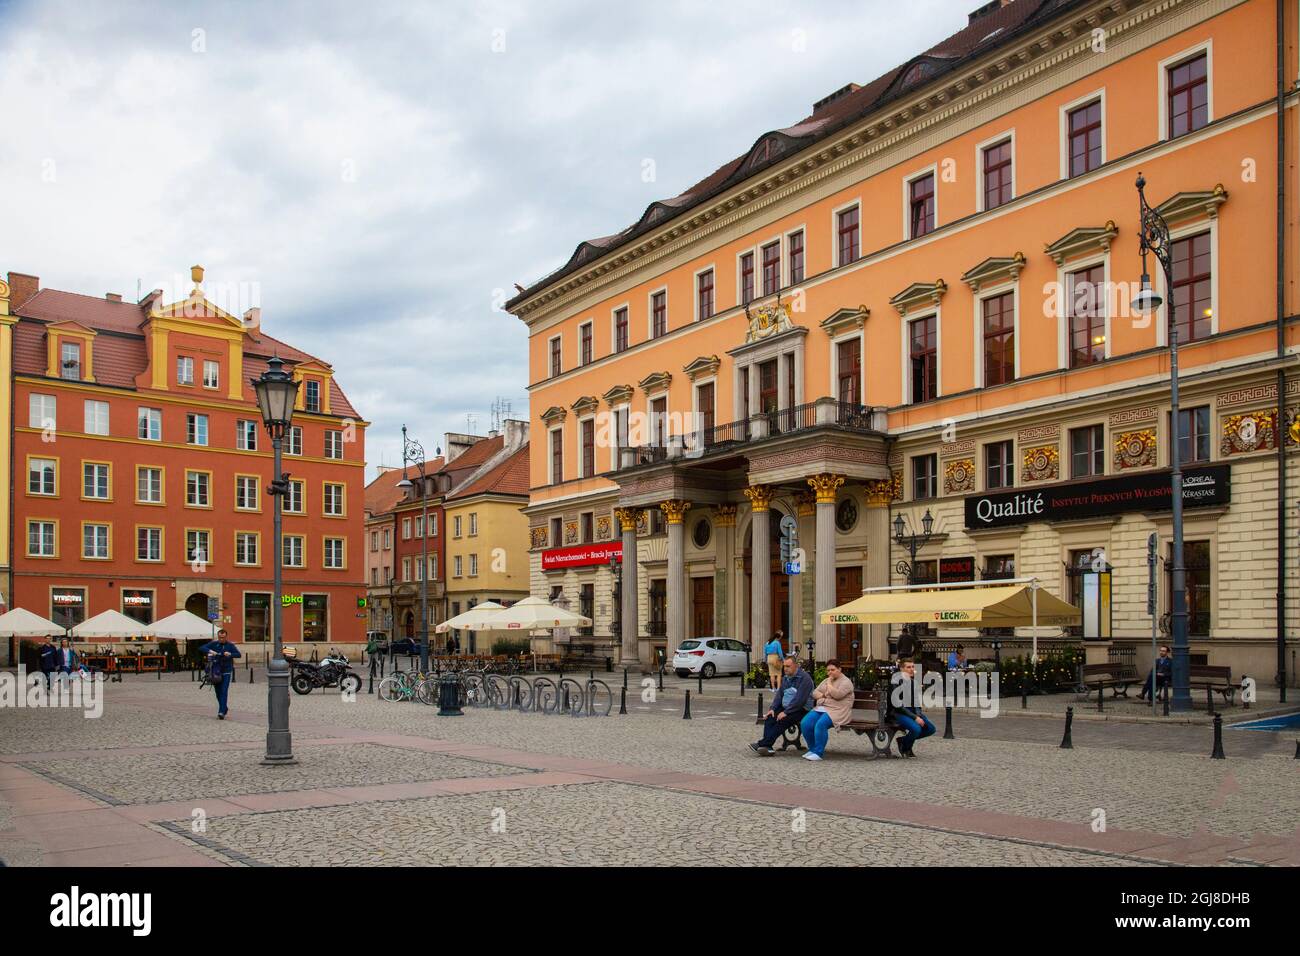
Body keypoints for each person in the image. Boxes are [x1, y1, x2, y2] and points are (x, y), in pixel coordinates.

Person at [750, 655, 814, 755]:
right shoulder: (786, 678)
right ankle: (768, 746)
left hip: (802, 709)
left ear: (796, 666)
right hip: (788, 706)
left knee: (783, 719)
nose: (785, 669)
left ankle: (763, 744)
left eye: (788, 666)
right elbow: (779, 695)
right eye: (784, 666)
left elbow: (800, 700)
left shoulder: (805, 678)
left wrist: (785, 712)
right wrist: (773, 708)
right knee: (770, 717)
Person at [799, 659, 855, 761]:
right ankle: (813, 749)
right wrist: (825, 695)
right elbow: (814, 693)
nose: (830, 672)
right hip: (824, 708)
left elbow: (837, 695)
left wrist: (829, 684)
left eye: (832, 670)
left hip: (839, 710)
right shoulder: (826, 680)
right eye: (828, 670)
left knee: (820, 724)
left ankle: (818, 753)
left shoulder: (846, 682)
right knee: (805, 723)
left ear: (839, 669)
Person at [890, 658, 935, 758]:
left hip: (912, 712)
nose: (911, 669)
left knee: (930, 729)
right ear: (902, 669)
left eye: (912, 667)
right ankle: (906, 747)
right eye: (908, 667)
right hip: (898, 713)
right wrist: (915, 718)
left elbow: (917, 702)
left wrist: (918, 715)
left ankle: (903, 740)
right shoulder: (895, 682)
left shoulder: (913, 682)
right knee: (916, 729)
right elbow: (897, 706)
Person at [200, 631, 241, 719]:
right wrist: (211, 651)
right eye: (220, 637)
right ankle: (224, 707)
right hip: (215, 671)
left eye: (223, 637)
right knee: (218, 692)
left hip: (226, 671)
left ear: (226, 637)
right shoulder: (214, 644)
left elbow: (238, 654)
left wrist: (230, 654)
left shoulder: (230, 645)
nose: (221, 639)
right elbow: (202, 647)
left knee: (224, 691)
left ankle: (221, 711)